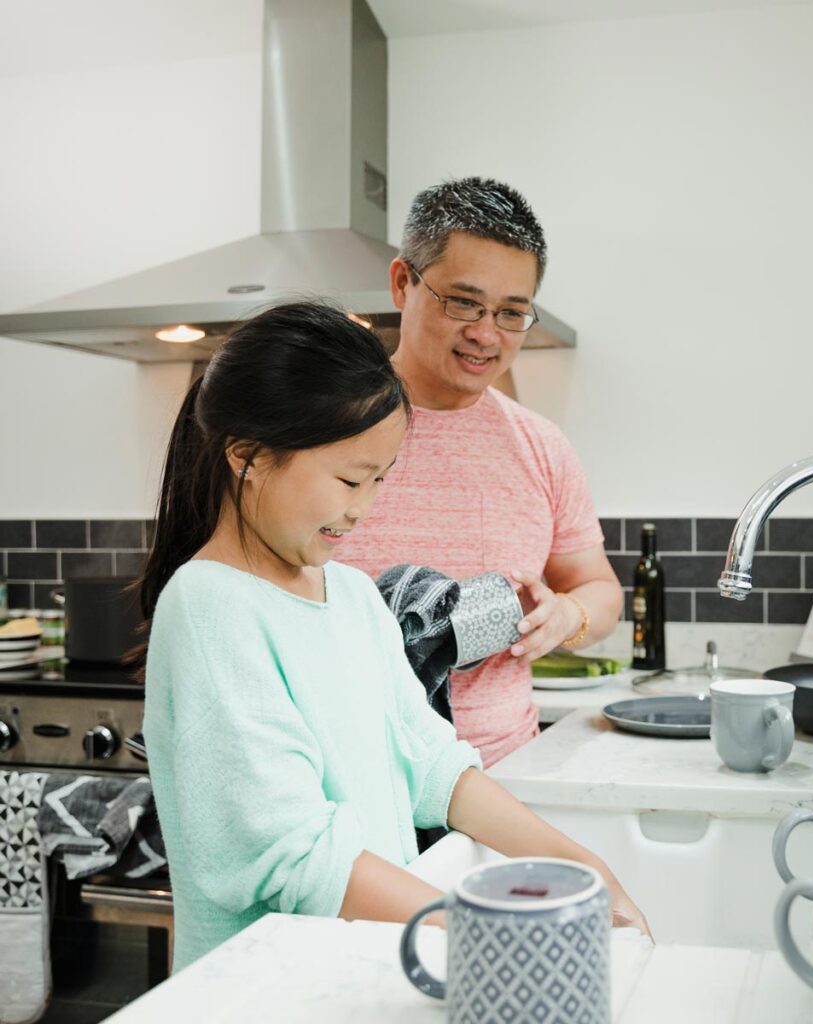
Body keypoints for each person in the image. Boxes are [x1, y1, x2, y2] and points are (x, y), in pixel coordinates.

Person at [139, 302, 648, 971]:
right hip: (267, 991)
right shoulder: (210, 606)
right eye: (351, 479)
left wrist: (577, 864)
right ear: (248, 456)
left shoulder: (349, 594)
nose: (363, 508)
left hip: (362, 973)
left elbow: (431, 763)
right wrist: (494, 932)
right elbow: (296, 851)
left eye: (380, 480)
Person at [338, 177, 622, 767]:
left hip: (505, 779)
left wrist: (569, 615)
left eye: (511, 312)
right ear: (402, 283)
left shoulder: (540, 445)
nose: (486, 333)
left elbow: (599, 588)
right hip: (355, 776)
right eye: (464, 302)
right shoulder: (328, 430)